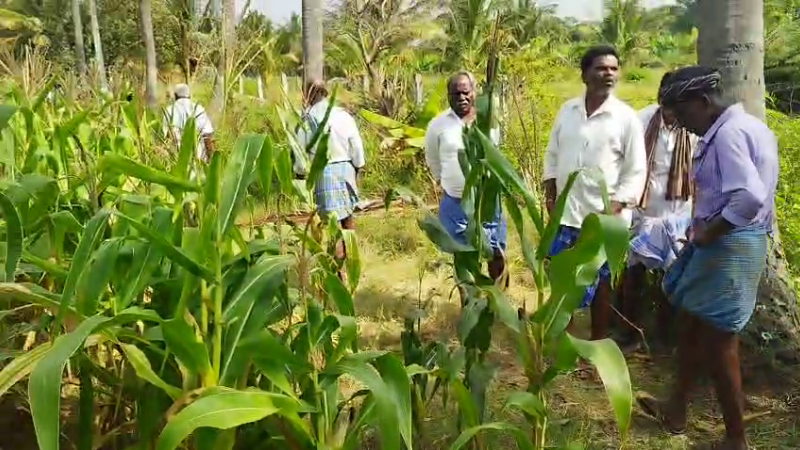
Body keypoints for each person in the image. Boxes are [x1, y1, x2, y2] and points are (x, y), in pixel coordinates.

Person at [636, 66, 778, 450]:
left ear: (703, 101)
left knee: (718, 340)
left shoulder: (729, 134)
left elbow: (749, 197)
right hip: (728, 241)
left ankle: (736, 439)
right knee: (692, 326)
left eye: (683, 114)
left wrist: (710, 231)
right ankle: (676, 410)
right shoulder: (743, 127)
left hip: (732, 243)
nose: (681, 124)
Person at [543, 45, 647, 342]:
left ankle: (597, 341)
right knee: (562, 276)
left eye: (614, 69)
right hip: (567, 213)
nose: (609, 74)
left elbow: (636, 169)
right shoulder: (568, 110)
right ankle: (565, 339)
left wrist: (615, 207)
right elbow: (553, 153)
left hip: (605, 220)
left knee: (602, 283)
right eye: (602, 68)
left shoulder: (626, 118)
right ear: (585, 74)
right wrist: (551, 191)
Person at [618, 72, 699, 353]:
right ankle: (629, 332)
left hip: (678, 211)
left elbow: (697, 175)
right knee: (634, 272)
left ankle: (663, 335)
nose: (671, 110)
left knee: (673, 275)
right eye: (666, 101)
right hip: (643, 209)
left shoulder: (693, 128)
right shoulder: (641, 121)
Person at [424, 71, 507, 286]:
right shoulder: (438, 125)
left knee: (496, 251)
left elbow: (496, 153)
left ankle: (498, 300)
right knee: (463, 256)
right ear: (448, 96)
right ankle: (469, 303)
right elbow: (433, 159)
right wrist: (448, 182)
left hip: (487, 201)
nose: (461, 98)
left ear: (474, 92)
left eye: (465, 92)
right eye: (455, 94)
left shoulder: (488, 121)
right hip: (456, 202)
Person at [295, 80, 366, 259]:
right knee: (348, 220)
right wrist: (358, 167)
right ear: (326, 93)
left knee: (332, 227)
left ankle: (338, 273)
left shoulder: (307, 119)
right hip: (346, 170)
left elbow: (299, 152)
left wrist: (301, 173)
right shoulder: (343, 115)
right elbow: (356, 147)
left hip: (323, 172)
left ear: (308, 96)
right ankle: (353, 264)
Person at [162, 83, 215, 173]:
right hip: (200, 161)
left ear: (175, 96)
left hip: (179, 161)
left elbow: (169, 137)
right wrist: (211, 160)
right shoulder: (199, 108)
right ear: (189, 95)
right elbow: (208, 138)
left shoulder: (170, 110)